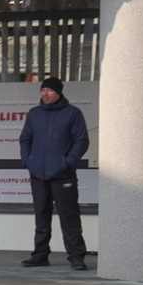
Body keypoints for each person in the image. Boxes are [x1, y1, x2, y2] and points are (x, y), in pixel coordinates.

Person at [20, 76, 90, 271]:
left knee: (69, 216)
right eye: (42, 90)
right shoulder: (34, 114)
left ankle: (76, 256)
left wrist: (67, 163)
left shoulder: (72, 113)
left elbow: (82, 141)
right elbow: (25, 139)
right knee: (41, 216)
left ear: (58, 92)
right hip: (38, 175)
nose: (45, 93)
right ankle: (40, 255)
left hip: (62, 175)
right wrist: (28, 161)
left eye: (49, 90)